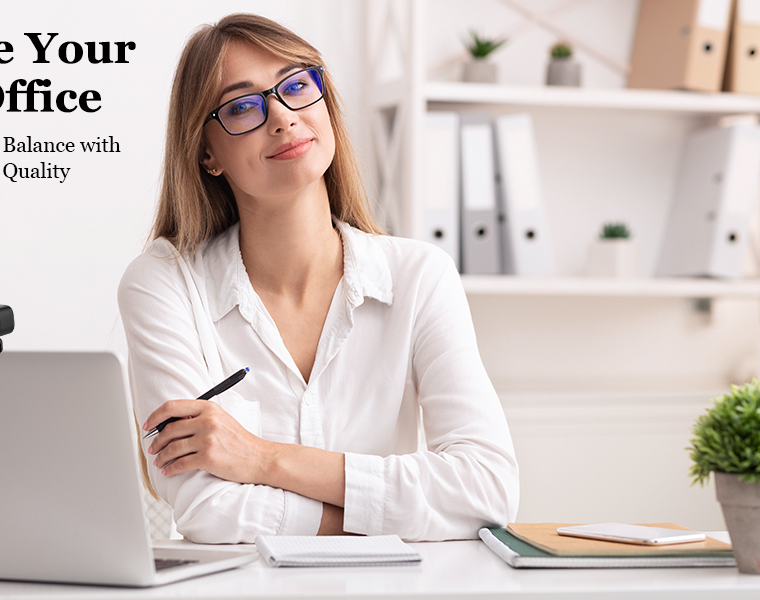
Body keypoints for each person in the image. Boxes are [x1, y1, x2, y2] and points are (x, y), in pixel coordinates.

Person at [118, 13, 518, 544]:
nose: (282, 118)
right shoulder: (164, 283)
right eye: (242, 107)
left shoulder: (420, 276)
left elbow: (486, 489)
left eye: (298, 86)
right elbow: (206, 510)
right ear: (207, 153)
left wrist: (262, 458)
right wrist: (391, 517)